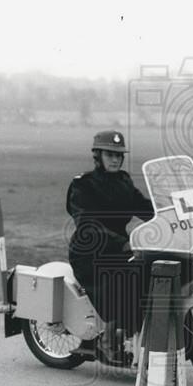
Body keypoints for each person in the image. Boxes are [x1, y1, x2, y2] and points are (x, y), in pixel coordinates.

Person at [66, 130, 154, 362]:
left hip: (122, 248)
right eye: (109, 154)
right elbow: (86, 225)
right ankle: (108, 340)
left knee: (153, 269)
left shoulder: (124, 181)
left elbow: (145, 208)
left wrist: (169, 217)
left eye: (119, 155)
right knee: (131, 279)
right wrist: (123, 244)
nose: (115, 159)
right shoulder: (83, 185)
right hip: (90, 253)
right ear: (98, 155)